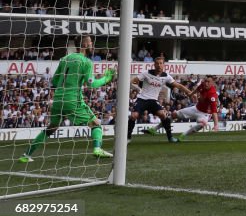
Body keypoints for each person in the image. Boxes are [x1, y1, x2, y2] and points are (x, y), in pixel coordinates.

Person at [19, 35, 116, 163]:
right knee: (96, 124)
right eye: (90, 42)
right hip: (72, 100)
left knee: (52, 127)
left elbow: (55, 80)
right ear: (85, 45)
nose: (92, 45)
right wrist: (106, 79)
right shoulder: (86, 62)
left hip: (58, 99)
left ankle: (26, 155)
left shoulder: (65, 59)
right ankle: (97, 149)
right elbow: (91, 84)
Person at [128, 55, 194, 143]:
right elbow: (133, 81)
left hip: (153, 101)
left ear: (164, 65)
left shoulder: (166, 76)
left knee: (163, 115)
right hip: (142, 99)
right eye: (157, 63)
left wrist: (190, 93)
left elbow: (179, 85)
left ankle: (170, 137)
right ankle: (128, 137)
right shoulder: (146, 73)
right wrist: (138, 89)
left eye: (161, 63)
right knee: (133, 116)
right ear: (154, 65)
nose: (159, 65)